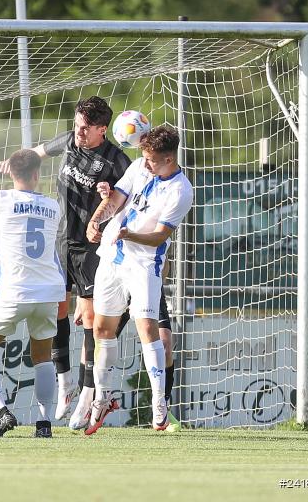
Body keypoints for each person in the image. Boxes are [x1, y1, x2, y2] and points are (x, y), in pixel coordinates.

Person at [0, 96, 130, 426]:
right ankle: (65, 381)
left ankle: (87, 392)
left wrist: (106, 198)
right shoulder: (70, 140)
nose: (78, 132)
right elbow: (37, 153)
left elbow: (128, 203)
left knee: (87, 317)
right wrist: (14, 160)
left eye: (85, 128)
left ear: (102, 129)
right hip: (58, 241)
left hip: (88, 249)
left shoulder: (117, 162)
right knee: (56, 307)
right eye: (76, 124)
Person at [83, 125, 193, 434]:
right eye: (144, 158)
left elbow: (159, 237)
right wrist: (96, 220)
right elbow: (116, 198)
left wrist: (129, 233)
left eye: (151, 160)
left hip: (144, 264)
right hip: (112, 258)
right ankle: (101, 399)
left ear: (168, 159)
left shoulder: (181, 190)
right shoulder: (139, 165)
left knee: (147, 328)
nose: (145, 164)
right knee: (101, 328)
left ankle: (160, 407)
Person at [0, 149, 67, 438]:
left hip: (13, 291)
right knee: (43, 357)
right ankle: (44, 425)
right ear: (36, 175)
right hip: (47, 291)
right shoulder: (53, 206)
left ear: (11, 173)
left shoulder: (1, 199)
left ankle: (0, 410)